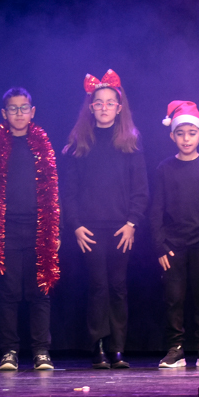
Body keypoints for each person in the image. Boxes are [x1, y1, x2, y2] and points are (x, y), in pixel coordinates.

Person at [61, 70, 148, 369]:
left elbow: (141, 190)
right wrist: (75, 225)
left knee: (118, 285)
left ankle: (118, 348)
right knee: (98, 285)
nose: (104, 107)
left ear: (119, 107)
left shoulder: (130, 143)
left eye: (110, 102)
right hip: (90, 228)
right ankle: (98, 345)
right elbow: (69, 191)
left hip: (121, 227)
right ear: (91, 106)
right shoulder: (80, 143)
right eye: (98, 102)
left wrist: (132, 223)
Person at [0, 87, 60, 371]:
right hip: (6, 228)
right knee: (9, 291)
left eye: (23, 108)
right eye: (13, 109)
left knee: (40, 291)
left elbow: (53, 189)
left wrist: (55, 230)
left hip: (39, 227)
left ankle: (41, 351)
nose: (18, 113)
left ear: (32, 111)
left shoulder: (42, 144)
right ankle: (9, 351)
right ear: (4, 114)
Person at [151, 101, 199, 369]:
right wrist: (160, 246)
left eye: (192, 133)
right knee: (174, 298)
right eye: (180, 133)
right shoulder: (164, 168)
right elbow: (156, 210)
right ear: (172, 136)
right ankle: (176, 347)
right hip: (173, 245)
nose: (186, 139)